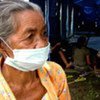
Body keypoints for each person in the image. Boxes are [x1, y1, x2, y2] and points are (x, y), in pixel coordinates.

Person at [0, 0, 71, 99]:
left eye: (44, 33)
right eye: (29, 36)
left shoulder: (54, 73)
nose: (43, 44)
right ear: (2, 45)